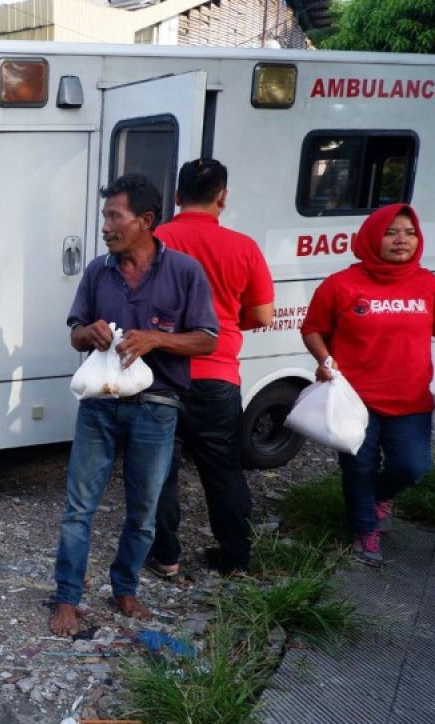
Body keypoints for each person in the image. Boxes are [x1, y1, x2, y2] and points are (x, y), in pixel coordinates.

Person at [51, 174, 219, 637]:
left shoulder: (184, 272)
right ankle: (67, 597)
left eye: (114, 216)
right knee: (78, 508)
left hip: (157, 407)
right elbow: (74, 333)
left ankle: (125, 588)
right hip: (99, 408)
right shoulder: (97, 271)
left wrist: (157, 340)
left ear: (146, 221)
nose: (105, 226)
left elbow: (207, 340)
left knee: (143, 511)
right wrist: (90, 333)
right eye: (105, 216)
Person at [301, 203, 435, 567]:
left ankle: (378, 497)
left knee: (413, 467)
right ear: (372, 237)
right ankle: (365, 531)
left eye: (409, 233)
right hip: (354, 399)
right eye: (391, 232)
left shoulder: (427, 284)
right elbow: (313, 328)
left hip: (410, 399)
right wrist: (324, 360)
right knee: (358, 468)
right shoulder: (341, 285)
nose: (401, 240)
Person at [148, 159, 275, 578]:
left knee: (160, 472)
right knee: (223, 470)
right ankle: (236, 559)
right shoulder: (244, 247)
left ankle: (166, 558)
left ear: (178, 196)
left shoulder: (154, 241)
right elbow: (262, 314)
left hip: (160, 376)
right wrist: (226, 324)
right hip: (218, 378)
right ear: (222, 197)